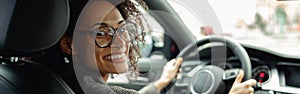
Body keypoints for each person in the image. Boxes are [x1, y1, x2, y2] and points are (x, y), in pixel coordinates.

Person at [36, 0, 256, 94]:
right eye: (101, 33)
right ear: (69, 44)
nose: (120, 42)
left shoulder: (46, 80)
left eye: (123, 29)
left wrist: (161, 83)